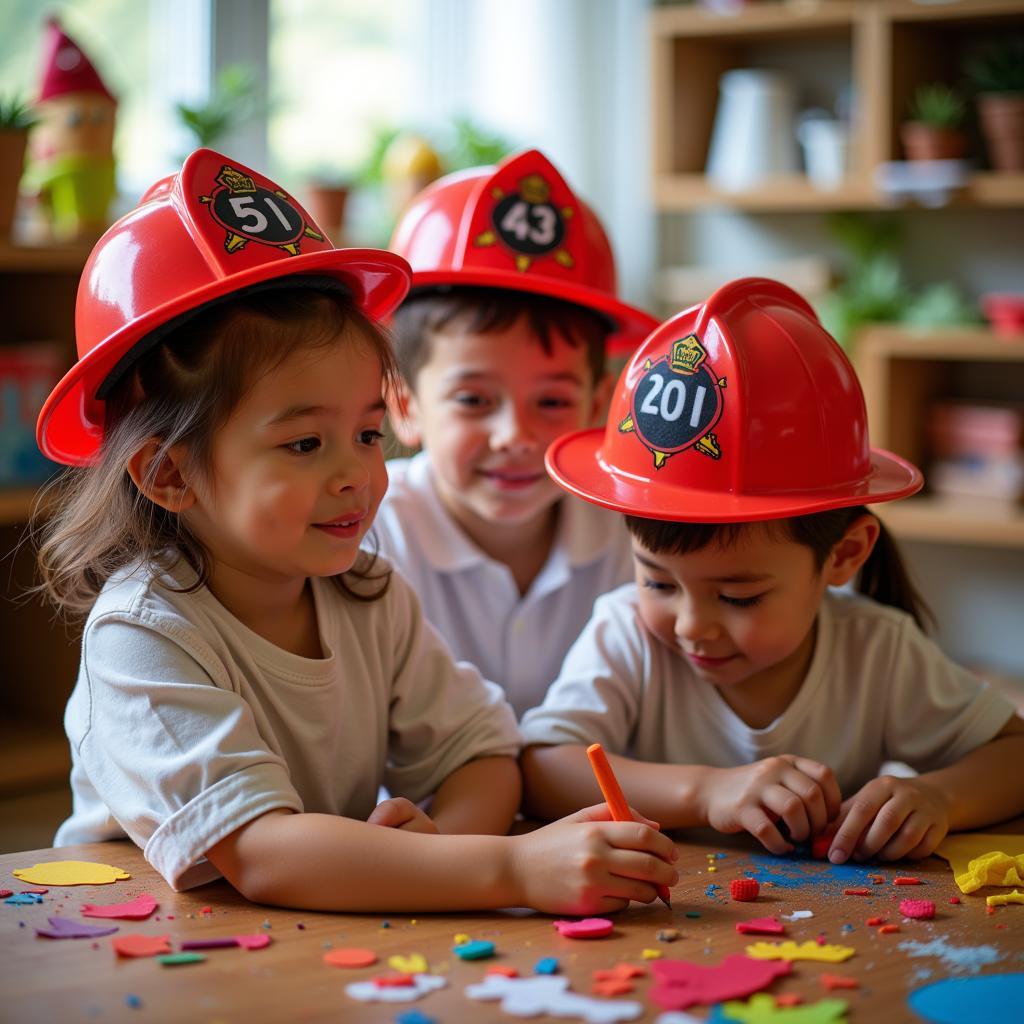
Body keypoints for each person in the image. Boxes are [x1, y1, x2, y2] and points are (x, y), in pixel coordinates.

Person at [33, 149, 678, 914]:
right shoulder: (142, 634)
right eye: (305, 444)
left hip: (311, 938)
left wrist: (437, 842)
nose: (358, 477)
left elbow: (483, 754)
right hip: (146, 948)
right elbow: (263, 852)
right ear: (169, 474)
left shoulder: (365, 589)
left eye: (368, 436)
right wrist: (509, 869)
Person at [521, 278, 1024, 865]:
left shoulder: (877, 651)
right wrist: (707, 792)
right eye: (658, 581)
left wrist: (939, 795)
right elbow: (540, 769)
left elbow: (1014, 756)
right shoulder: (626, 635)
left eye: (738, 596)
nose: (691, 626)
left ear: (843, 556)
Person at [374, 149, 659, 718]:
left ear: (598, 407)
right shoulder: (368, 539)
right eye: (474, 400)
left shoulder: (637, 541)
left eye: (552, 400)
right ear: (405, 405)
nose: (515, 435)